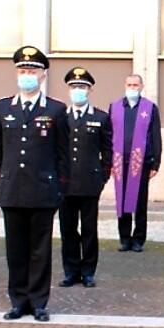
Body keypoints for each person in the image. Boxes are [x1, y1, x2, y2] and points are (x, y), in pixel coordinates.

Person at [0, 46, 68, 321]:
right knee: (15, 250)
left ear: (43, 75)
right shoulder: (3, 107)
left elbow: (63, 155)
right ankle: (18, 300)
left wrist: (60, 188)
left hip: (43, 190)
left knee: (39, 249)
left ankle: (38, 302)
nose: (27, 75)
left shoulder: (57, 110)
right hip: (12, 190)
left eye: (32, 71)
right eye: (23, 70)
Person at [58, 67, 111, 289]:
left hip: (90, 183)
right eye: (73, 87)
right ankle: (71, 271)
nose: (77, 91)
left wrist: (102, 177)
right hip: (64, 184)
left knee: (89, 230)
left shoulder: (100, 117)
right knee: (67, 229)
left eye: (81, 87)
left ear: (89, 90)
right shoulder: (60, 117)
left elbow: (107, 150)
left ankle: (88, 272)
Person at [110, 74, 160, 252]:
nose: (132, 87)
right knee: (122, 201)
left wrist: (155, 164)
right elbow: (109, 136)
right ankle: (124, 239)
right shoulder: (114, 107)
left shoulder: (150, 108)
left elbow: (155, 136)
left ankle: (138, 239)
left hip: (141, 162)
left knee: (139, 203)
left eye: (136, 85)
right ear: (124, 85)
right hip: (119, 161)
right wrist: (108, 161)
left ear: (142, 86)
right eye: (129, 84)